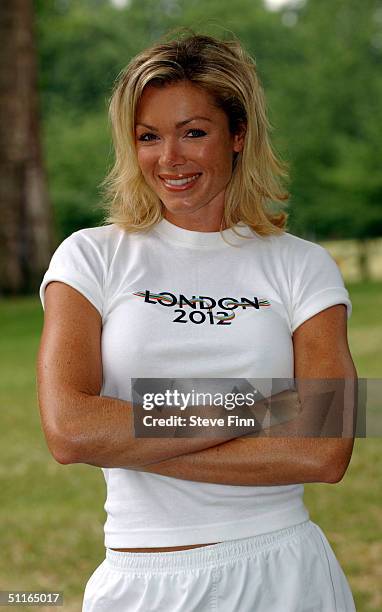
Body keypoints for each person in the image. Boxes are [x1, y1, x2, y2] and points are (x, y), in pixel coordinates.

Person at [37, 33, 357, 611]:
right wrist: (269, 406)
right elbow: (70, 430)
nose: (170, 158)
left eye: (193, 132)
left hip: (282, 572)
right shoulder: (91, 257)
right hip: (141, 579)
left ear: (237, 136)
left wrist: (129, 439)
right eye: (148, 137)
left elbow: (325, 452)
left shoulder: (302, 266)